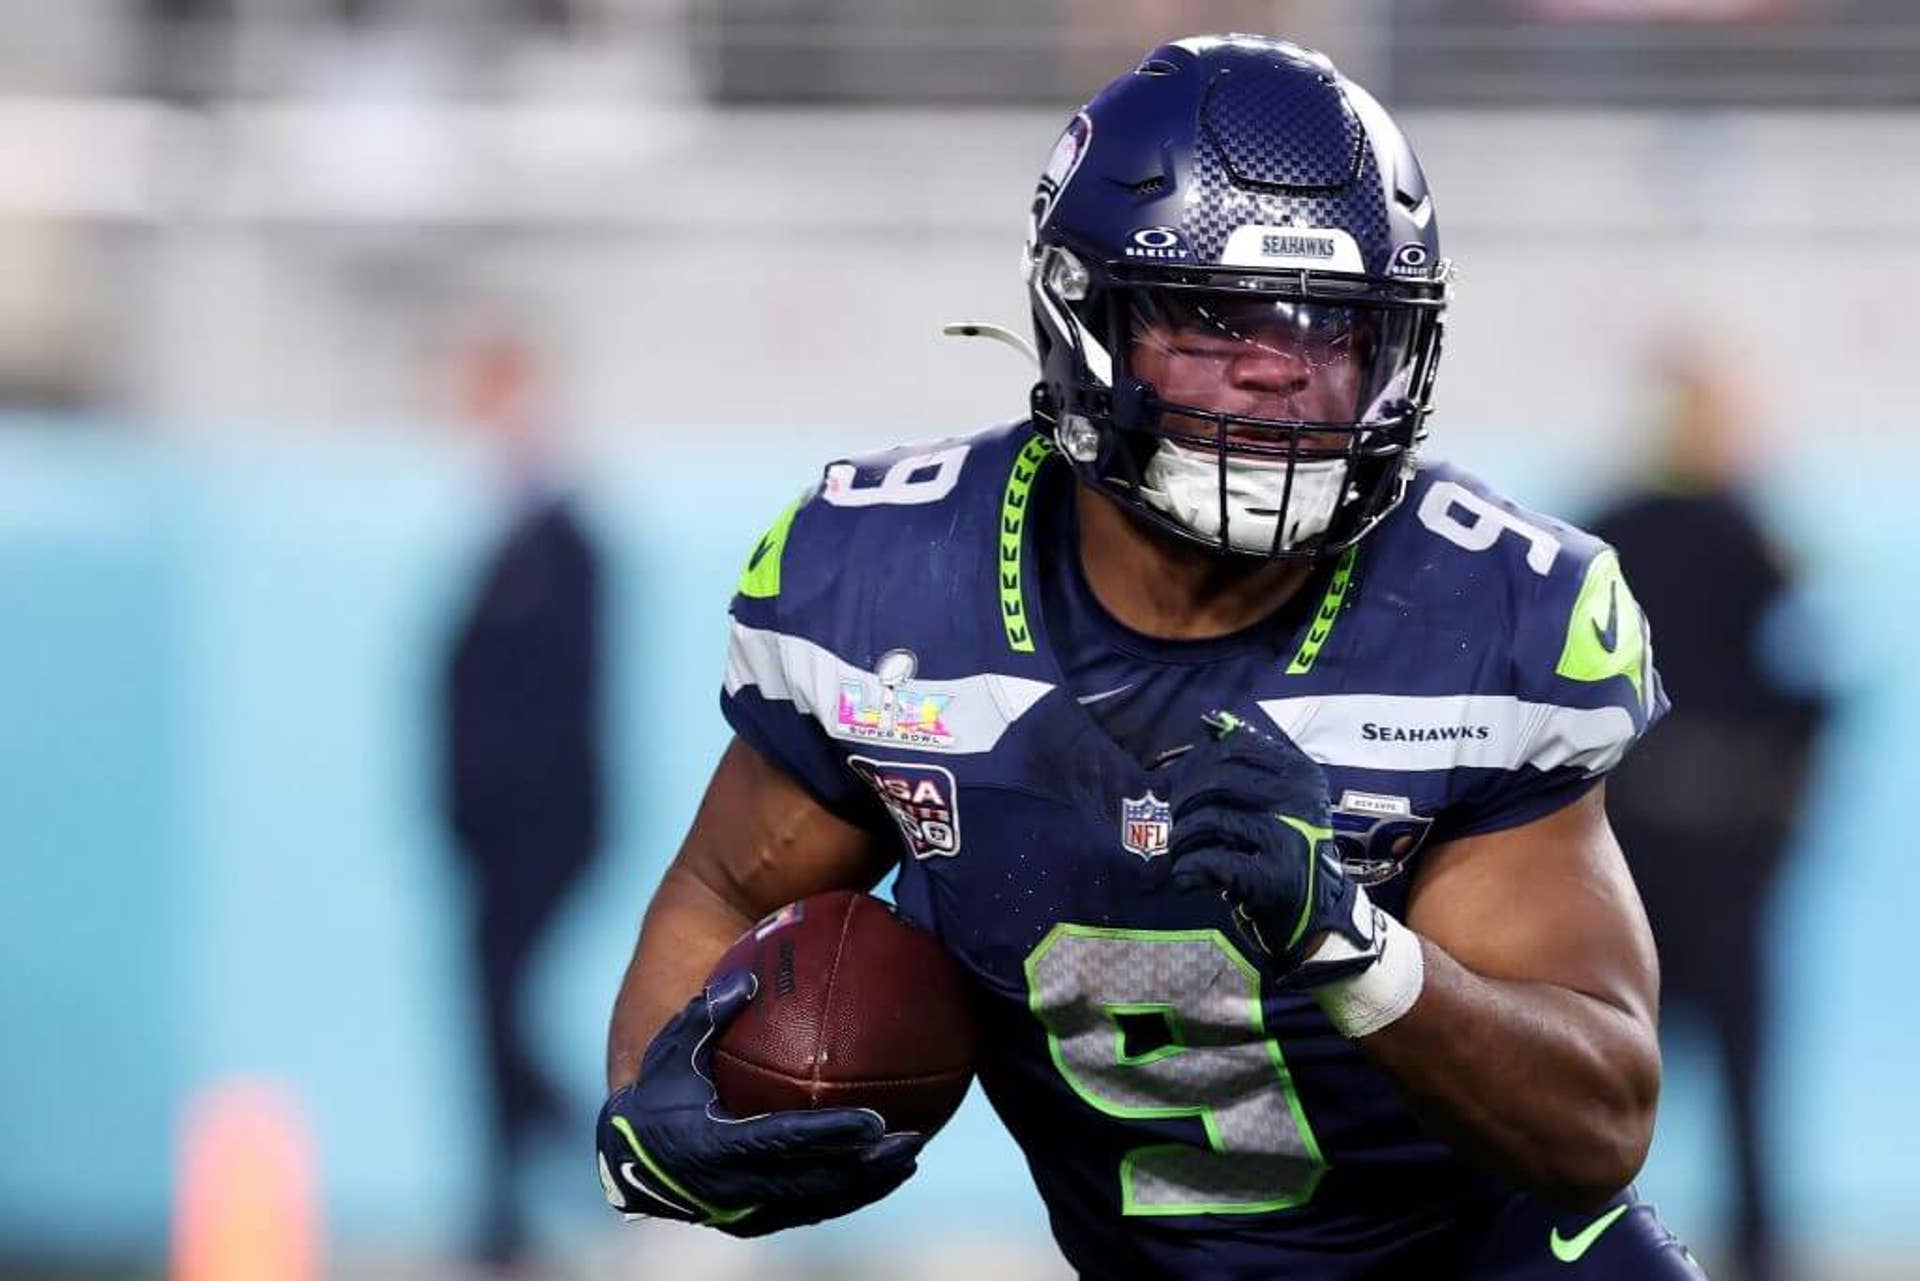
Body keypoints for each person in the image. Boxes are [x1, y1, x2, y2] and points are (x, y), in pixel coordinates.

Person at [596, 35, 1703, 1277]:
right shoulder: (884, 588)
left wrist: (1350, 940)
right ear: (1086, 320)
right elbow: (725, 899)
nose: (1279, 367)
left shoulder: (1490, 612)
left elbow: (1599, 1120)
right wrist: (655, 1120)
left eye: (1332, 328)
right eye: (1216, 316)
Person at [1589, 353, 1824, 1281]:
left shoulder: (1618, 530)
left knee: (1639, 1069)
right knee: (1613, 1069)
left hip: (1675, 853)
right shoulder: (1637, 532)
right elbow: (1810, 696)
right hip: (1655, 855)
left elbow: (1810, 694)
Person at [442, 331, 604, 1267]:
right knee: (487, 1012)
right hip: (495, 832)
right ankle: (504, 1210)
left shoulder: (564, 543)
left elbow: (547, 702)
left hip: (534, 828)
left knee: (496, 1012)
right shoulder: (514, 542)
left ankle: (611, 1161)